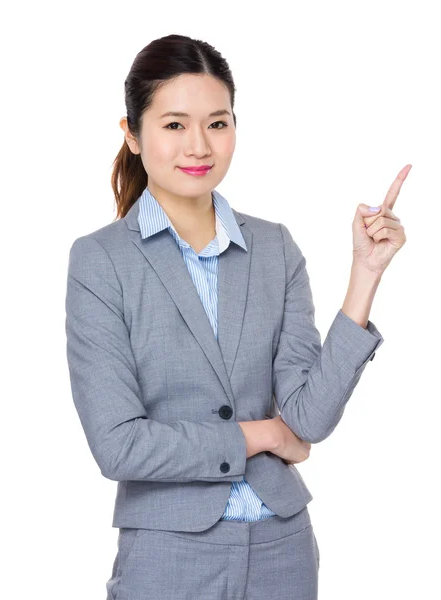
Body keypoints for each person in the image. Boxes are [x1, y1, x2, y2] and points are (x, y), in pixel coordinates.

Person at [65, 33, 409, 600]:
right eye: (174, 124)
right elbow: (119, 445)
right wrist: (264, 434)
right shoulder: (101, 260)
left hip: (284, 549)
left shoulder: (274, 247)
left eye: (217, 123)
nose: (199, 146)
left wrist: (365, 274)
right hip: (167, 554)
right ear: (131, 133)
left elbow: (310, 417)